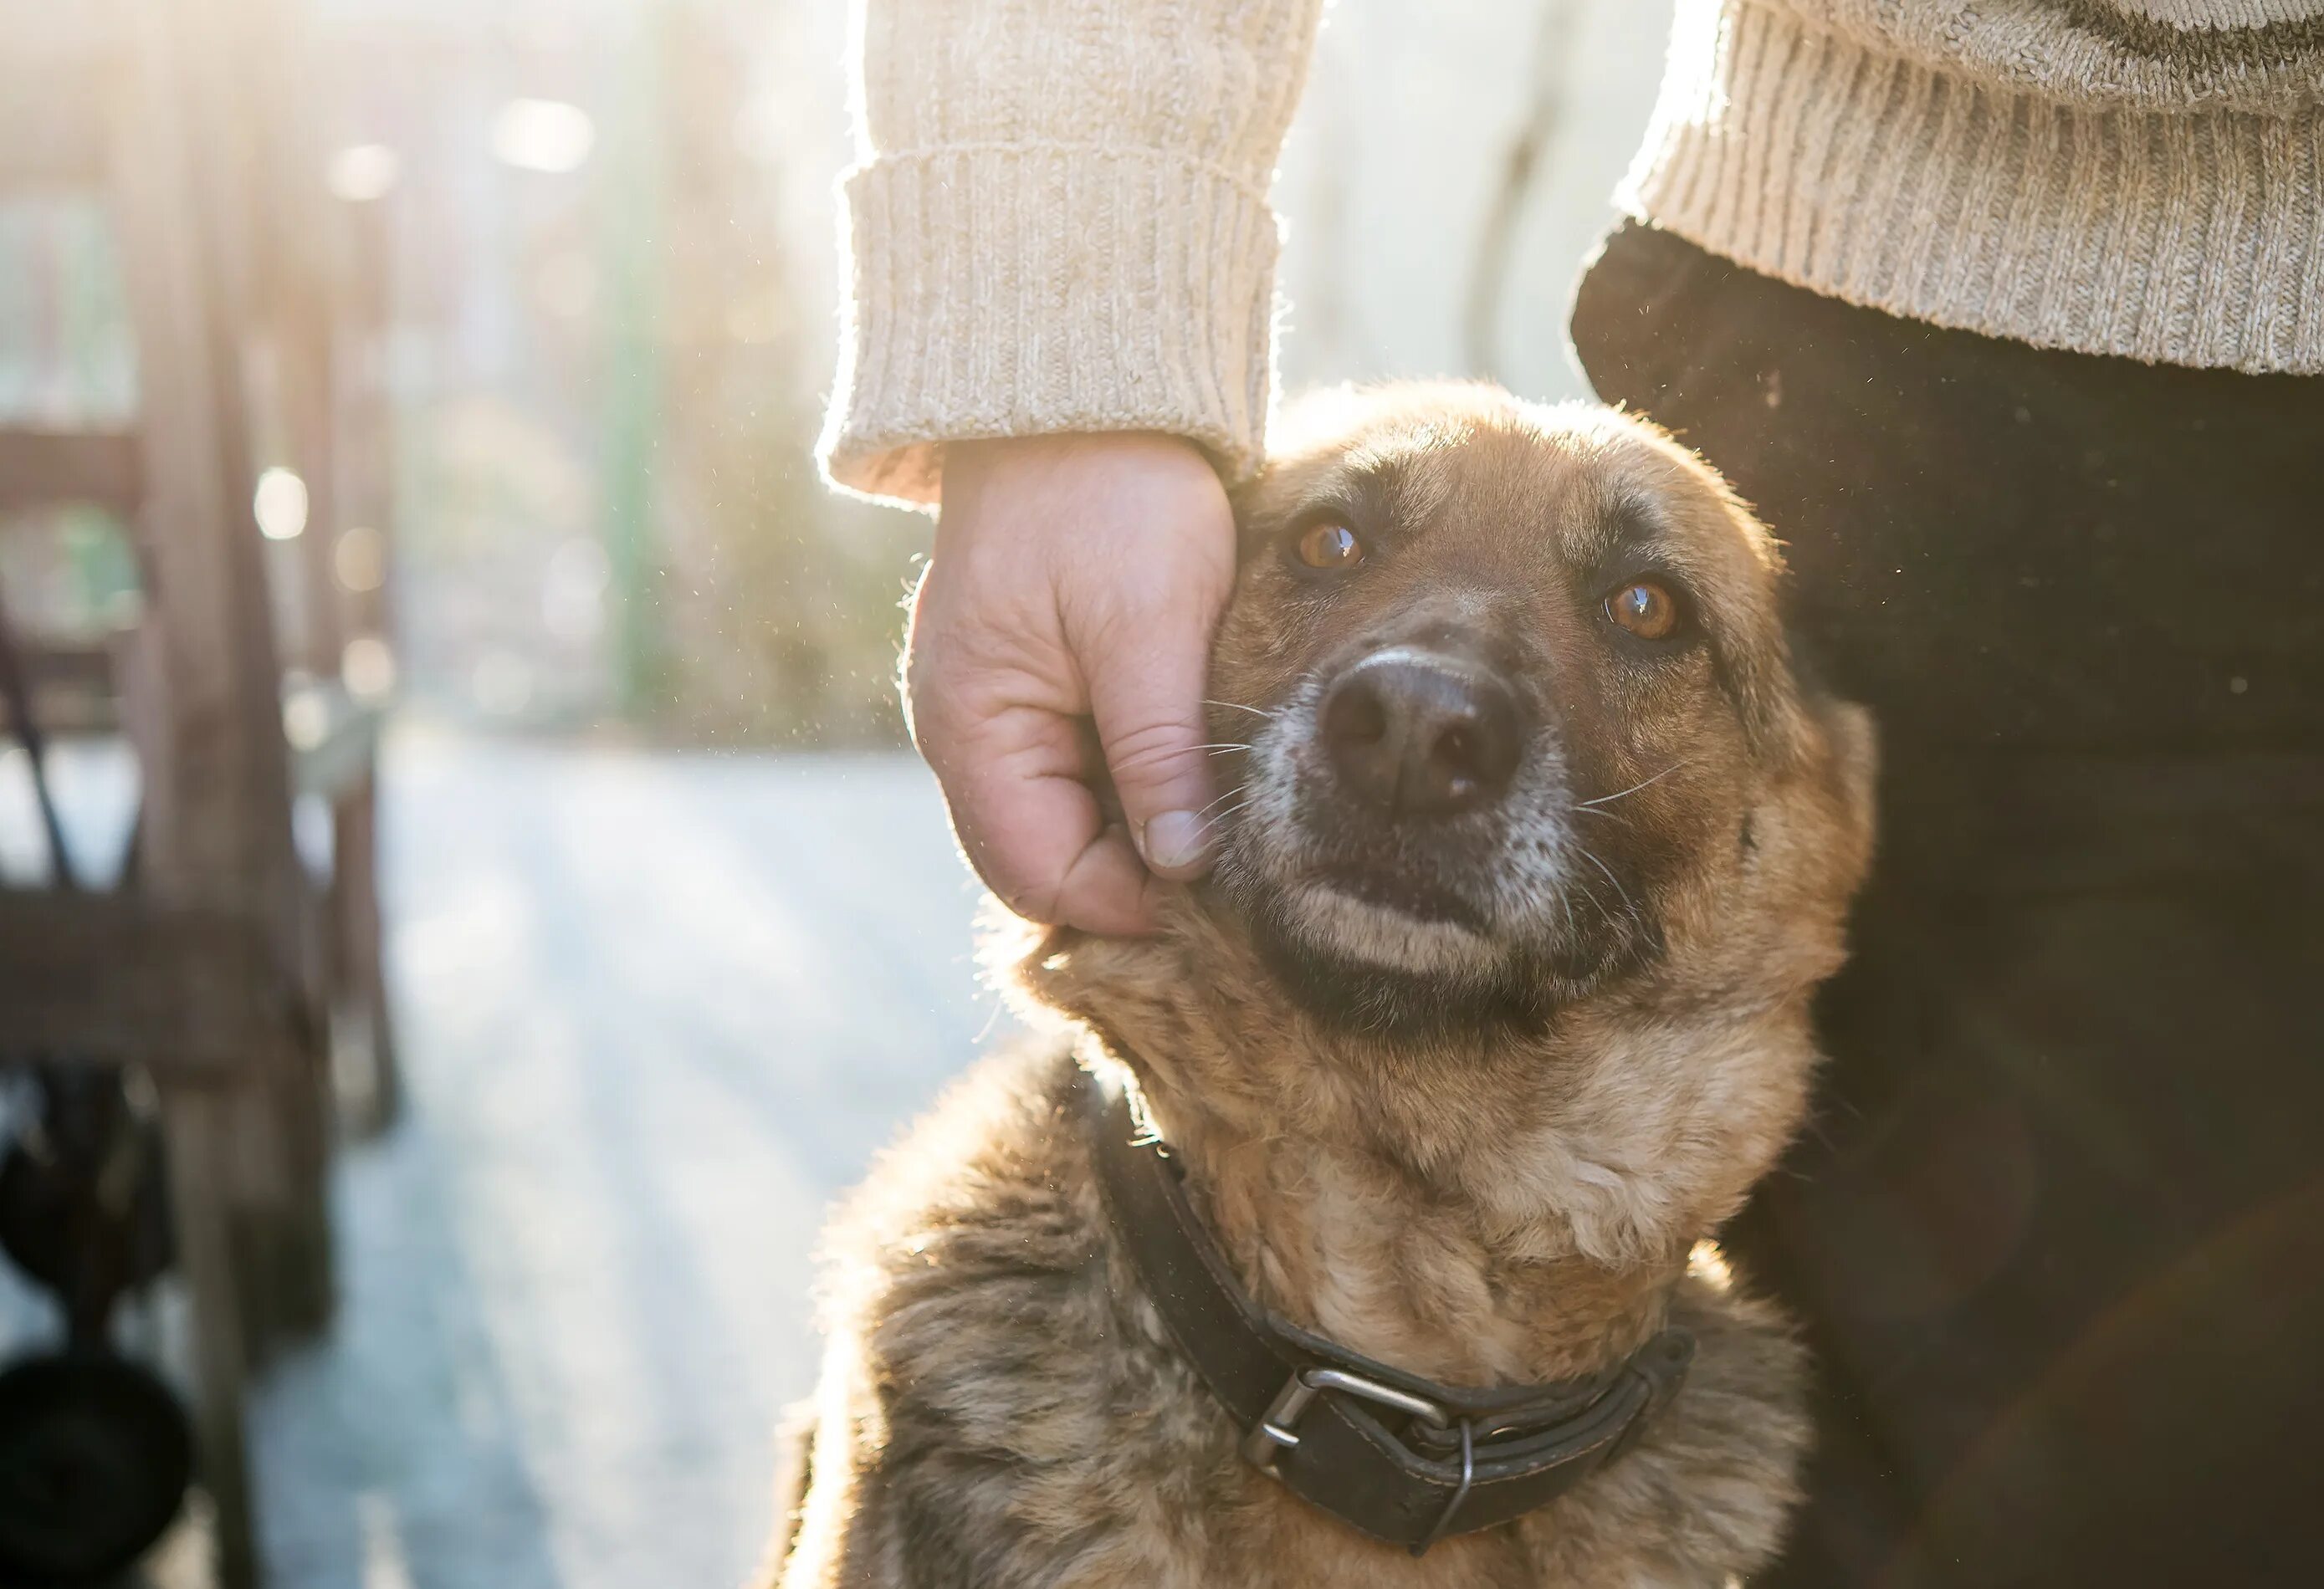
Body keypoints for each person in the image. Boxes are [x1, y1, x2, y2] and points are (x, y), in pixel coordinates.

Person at [819, 3, 2324, 1584]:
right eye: (1329, 549)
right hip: (1859, 322)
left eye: (1641, 614)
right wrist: (1063, 353)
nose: (1423, 702)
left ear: (1811, 821)